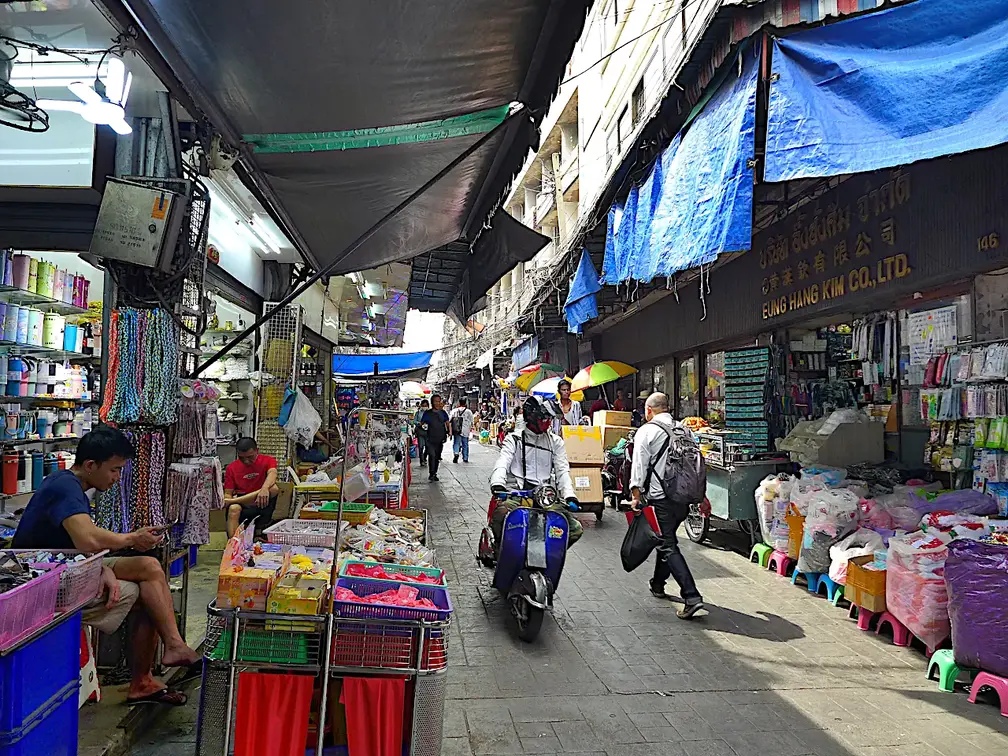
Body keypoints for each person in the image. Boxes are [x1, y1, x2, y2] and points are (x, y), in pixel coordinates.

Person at [12, 426, 200, 705]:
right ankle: (145, 677)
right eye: (114, 470)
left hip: (65, 567)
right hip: (38, 583)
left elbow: (78, 544)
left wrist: (103, 567)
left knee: (149, 568)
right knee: (147, 596)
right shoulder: (65, 486)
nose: (117, 477)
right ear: (90, 465)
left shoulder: (70, 485)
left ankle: (171, 647)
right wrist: (129, 540)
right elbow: (87, 539)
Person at [629, 392, 704, 619]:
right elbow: (697, 464)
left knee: (667, 544)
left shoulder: (647, 430)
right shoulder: (684, 430)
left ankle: (691, 596)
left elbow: (639, 465)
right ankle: (658, 584)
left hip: (661, 498)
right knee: (666, 538)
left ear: (649, 410)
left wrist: (635, 494)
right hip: (683, 498)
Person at [490, 397, 582, 548]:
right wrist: (498, 484)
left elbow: (562, 470)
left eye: (549, 418)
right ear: (531, 417)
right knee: (501, 517)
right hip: (518, 495)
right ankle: (500, 552)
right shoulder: (514, 439)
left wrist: (569, 495)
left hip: (545, 499)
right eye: (543, 418)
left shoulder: (556, 442)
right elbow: (502, 462)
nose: (547, 422)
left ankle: (549, 553)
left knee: (574, 529)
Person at [224, 437, 279, 538]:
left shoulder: (268, 460)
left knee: (274, 488)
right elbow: (228, 493)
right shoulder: (231, 468)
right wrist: (229, 499)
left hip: (262, 502)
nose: (246, 461)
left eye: (250, 457)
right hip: (243, 504)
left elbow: (272, 474)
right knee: (233, 508)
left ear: (257, 451)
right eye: (242, 458)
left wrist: (264, 488)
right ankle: (233, 546)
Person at [420, 394, 450, 481]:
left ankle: (435, 472)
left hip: (440, 438)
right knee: (432, 455)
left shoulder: (443, 413)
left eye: (439, 401)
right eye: (435, 401)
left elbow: (447, 423)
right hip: (430, 438)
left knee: (437, 456)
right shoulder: (427, 413)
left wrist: (450, 432)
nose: (437, 403)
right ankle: (431, 473)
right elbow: (422, 423)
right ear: (432, 402)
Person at [450, 398, 475, 463]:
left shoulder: (454, 411)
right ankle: (465, 458)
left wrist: (450, 430)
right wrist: (471, 428)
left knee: (456, 443)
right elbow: (472, 421)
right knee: (465, 444)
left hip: (456, 429)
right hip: (465, 430)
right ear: (465, 403)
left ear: (459, 403)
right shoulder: (468, 412)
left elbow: (450, 420)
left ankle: (456, 453)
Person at [414, 399, 430, 466]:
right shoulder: (418, 413)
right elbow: (414, 421)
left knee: (427, 447)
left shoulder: (430, 413)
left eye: (426, 406)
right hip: (420, 432)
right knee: (420, 447)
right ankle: (421, 460)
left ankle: (424, 457)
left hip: (429, 432)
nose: (424, 407)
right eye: (423, 405)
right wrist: (419, 423)